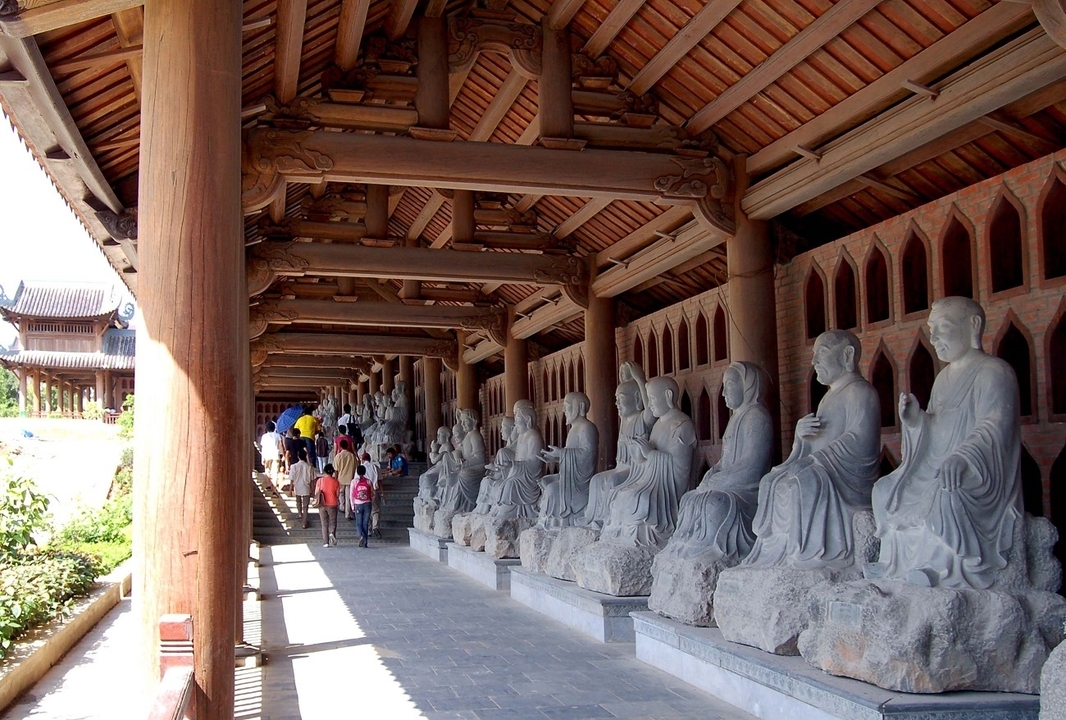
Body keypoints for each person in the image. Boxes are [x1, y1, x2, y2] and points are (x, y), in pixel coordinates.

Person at [865, 297, 1023, 589]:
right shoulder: (943, 379)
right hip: (938, 463)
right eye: (932, 330)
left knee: (946, 490)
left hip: (977, 468)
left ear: (973, 326)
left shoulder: (994, 371)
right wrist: (916, 422)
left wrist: (963, 457)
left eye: (943, 328)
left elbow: (995, 425)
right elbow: (937, 431)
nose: (934, 338)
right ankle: (895, 564)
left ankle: (940, 569)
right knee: (885, 490)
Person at [744, 329, 880, 569]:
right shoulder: (828, 398)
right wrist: (802, 436)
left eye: (822, 353)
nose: (813, 361)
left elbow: (861, 441)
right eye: (814, 354)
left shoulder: (861, 392)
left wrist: (816, 459)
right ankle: (777, 553)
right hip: (823, 468)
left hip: (845, 477)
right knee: (772, 480)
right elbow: (819, 438)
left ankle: (809, 553)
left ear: (848, 355)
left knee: (800, 481)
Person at [662, 362, 773, 559]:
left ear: (747, 385)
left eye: (729, 385)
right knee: (689, 499)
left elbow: (752, 465)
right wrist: (713, 473)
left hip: (746, 491)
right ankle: (686, 548)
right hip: (730, 482)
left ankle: (711, 552)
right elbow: (725, 461)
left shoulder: (757, 417)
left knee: (713, 503)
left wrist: (719, 480)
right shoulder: (734, 419)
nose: (723, 393)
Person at [600, 376, 697, 548]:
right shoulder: (658, 424)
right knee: (620, 491)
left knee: (639, 497)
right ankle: (620, 538)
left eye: (652, 399)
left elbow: (680, 468)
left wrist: (650, 453)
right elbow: (646, 463)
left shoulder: (682, 424)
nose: (649, 405)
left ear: (668, 396)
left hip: (668, 488)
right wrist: (639, 454)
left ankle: (642, 541)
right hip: (651, 480)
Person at [538, 392, 598, 527]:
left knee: (553, 489)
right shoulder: (573, 430)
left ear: (580, 407)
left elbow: (588, 455)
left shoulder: (587, 427)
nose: (563, 410)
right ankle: (549, 520)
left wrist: (562, 453)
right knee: (546, 481)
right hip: (569, 478)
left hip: (579, 483)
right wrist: (555, 457)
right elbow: (571, 454)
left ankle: (556, 522)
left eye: (567, 406)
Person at [314, 463, 340, 547]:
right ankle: (332, 533)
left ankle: (325, 542)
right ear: (332, 472)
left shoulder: (320, 481)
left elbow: (316, 493)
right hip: (332, 504)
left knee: (324, 523)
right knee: (333, 522)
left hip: (322, 504)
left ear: (324, 471)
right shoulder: (336, 482)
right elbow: (337, 494)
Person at [289, 448, 315, 529]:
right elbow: (312, 480)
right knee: (305, 506)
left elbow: (291, 479)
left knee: (298, 501)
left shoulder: (293, 466)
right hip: (306, 487)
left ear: (298, 457)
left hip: (297, 486)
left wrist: (290, 490)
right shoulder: (309, 467)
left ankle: (300, 513)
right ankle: (304, 523)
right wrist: (313, 490)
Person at [258, 421, 283, 498]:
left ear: (266, 428)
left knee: (267, 471)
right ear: (274, 428)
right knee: (275, 473)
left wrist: (262, 458)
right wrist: (282, 455)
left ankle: (269, 484)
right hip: (275, 455)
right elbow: (281, 446)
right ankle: (274, 491)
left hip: (267, 455)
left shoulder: (264, 436)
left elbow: (263, 448)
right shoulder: (278, 435)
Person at [351, 465, 374, 547]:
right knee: (365, 523)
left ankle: (361, 536)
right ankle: (365, 543)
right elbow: (373, 494)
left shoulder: (354, 481)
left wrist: (352, 505)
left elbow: (351, 494)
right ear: (364, 472)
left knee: (358, 523)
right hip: (367, 504)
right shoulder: (368, 481)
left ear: (357, 472)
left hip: (358, 504)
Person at [334, 438, 357, 519]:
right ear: (347, 446)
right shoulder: (352, 456)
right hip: (350, 479)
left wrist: (335, 479)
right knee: (348, 497)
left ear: (340, 446)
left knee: (341, 494)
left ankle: (342, 507)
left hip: (340, 479)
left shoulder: (338, 456)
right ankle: (347, 514)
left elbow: (336, 470)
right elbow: (355, 468)